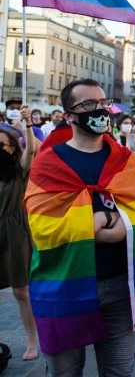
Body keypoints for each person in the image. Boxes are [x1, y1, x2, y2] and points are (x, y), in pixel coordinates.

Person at [25, 79, 135, 376]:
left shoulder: (125, 161)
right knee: (64, 373)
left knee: (118, 371)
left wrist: (95, 222)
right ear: (68, 115)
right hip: (63, 286)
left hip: (119, 286)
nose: (100, 110)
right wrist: (104, 218)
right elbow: (42, 226)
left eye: (104, 103)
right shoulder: (48, 163)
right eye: (89, 105)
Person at [0, 104, 39, 362]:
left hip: (14, 232)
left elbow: (32, 151)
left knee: (21, 291)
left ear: (12, 148)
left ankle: (33, 340)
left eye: (1, 144)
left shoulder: (18, 172)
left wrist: (27, 124)